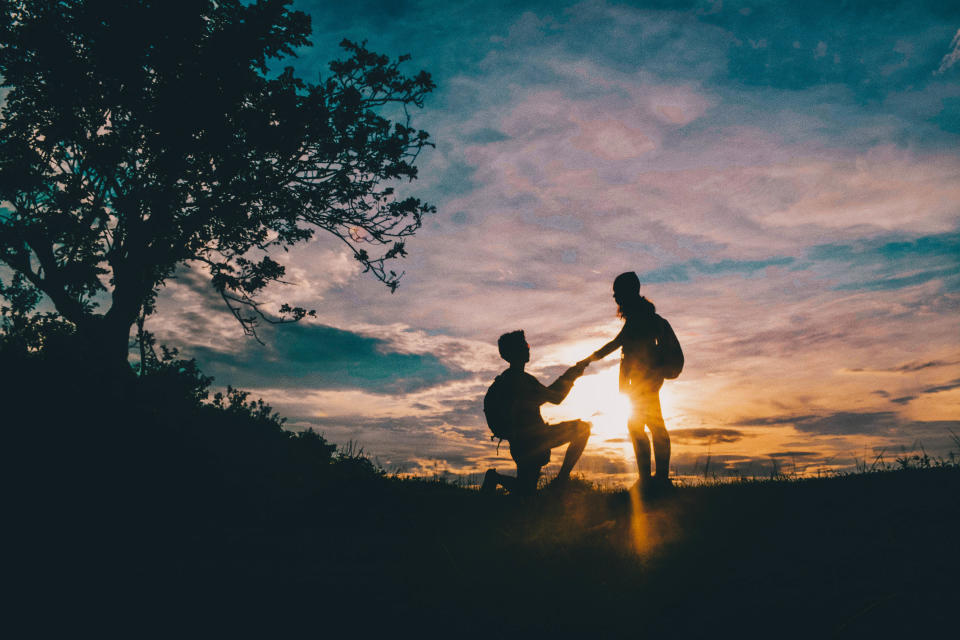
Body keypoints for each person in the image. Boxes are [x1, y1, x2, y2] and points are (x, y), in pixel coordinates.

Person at [588, 272, 675, 491]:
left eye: (618, 294)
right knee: (646, 426)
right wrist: (591, 359)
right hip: (641, 383)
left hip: (644, 382)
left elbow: (617, 344)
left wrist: (588, 360)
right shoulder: (641, 316)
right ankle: (653, 479)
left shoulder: (641, 318)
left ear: (629, 293)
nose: (615, 298)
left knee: (648, 426)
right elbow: (618, 344)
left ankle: (656, 480)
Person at [481, 330, 593, 495]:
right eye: (524, 346)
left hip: (521, 444)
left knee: (526, 491)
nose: (528, 349)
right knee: (582, 429)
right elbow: (556, 397)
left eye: (527, 345)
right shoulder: (521, 380)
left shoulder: (510, 379)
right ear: (513, 352)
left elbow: (548, 397)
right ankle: (561, 481)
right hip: (534, 440)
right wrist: (573, 373)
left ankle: (494, 478)